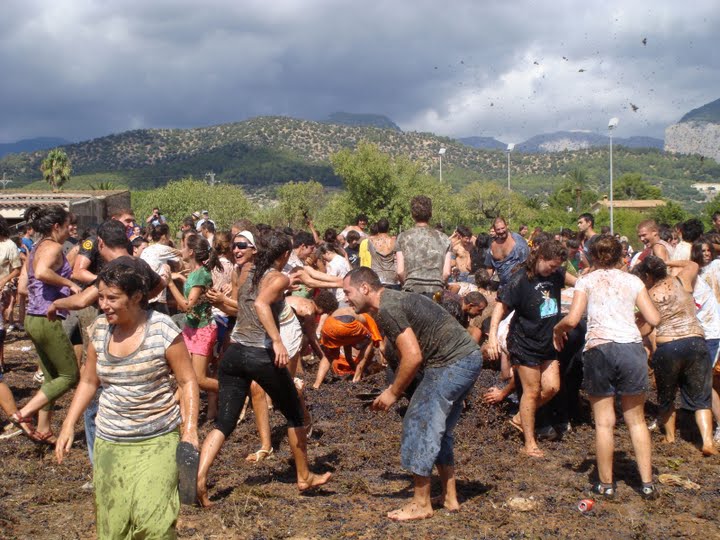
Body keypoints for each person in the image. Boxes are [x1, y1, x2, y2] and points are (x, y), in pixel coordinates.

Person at [55, 257, 200, 539]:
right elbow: (88, 380)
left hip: (157, 439)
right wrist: (67, 425)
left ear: (136, 297)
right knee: (114, 526)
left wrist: (190, 429)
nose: (103, 304)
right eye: (100, 297)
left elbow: (187, 380)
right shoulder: (99, 329)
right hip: (111, 442)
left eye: (112, 298)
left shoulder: (163, 329)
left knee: (154, 524)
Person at [196, 230, 332, 506]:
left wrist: (283, 291)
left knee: (225, 421)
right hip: (260, 354)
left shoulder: (245, 271)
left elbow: (247, 303)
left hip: (233, 353)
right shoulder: (277, 276)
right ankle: (304, 476)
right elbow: (260, 303)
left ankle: (198, 478)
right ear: (283, 255)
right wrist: (277, 340)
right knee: (294, 413)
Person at [342, 267, 481, 521]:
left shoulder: (387, 308)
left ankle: (421, 503)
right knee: (439, 430)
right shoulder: (391, 301)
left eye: (347, 292)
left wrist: (392, 392)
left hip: (451, 362)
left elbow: (413, 356)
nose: (345, 299)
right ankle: (449, 497)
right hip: (467, 358)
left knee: (419, 421)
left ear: (364, 288)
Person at [554, 236, 661, 499]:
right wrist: (635, 329)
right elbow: (654, 318)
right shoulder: (633, 281)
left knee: (604, 423)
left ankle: (606, 484)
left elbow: (574, 317)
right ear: (620, 256)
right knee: (636, 421)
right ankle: (647, 483)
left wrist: (558, 328)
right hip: (630, 348)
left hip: (599, 348)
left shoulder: (587, 281)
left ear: (590, 256)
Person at [487, 240, 576, 458]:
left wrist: (565, 323)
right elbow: (500, 306)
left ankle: (519, 418)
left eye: (557, 267)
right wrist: (491, 337)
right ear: (540, 258)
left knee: (552, 387)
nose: (554, 270)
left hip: (548, 341)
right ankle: (529, 443)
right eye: (551, 266)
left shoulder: (557, 274)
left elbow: (581, 285)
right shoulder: (520, 280)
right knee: (532, 390)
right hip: (524, 341)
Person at [632, 256, 718, 456]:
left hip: (668, 347)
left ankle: (670, 437)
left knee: (666, 396)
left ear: (648, 276)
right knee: (702, 397)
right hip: (696, 342)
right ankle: (707, 442)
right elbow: (693, 264)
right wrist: (667, 263)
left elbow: (645, 330)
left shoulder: (649, 295)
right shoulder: (682, 280)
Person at [10, 205, 80, 443]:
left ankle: (44, 428)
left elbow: (22, 287)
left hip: (31, 317)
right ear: (55, 227)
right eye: (67, 224)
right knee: (70, 376)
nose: (71, 229)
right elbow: (41, 273)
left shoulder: (35, 247)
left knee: (51, 376)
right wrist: (68, 284)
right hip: (46, 318)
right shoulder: (54, 247)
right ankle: (24, 413)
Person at [167, 234, 222, 408]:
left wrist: (169, 284)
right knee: (186, 376)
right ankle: (176, 413)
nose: (181, 250)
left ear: (191, 252)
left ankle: (235, 390)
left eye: (183, 247)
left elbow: (187, 306)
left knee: (198, 379)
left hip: (202, 330)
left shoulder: (200, 274)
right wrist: (182, 279)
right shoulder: (195, 273)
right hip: (191, 328)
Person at [313, 290, 383, 388]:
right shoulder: (367, 316)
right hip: (345, 323)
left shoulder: (336, 312)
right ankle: (357, 377)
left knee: (328, 356)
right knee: (369, 341)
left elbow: (347, 342)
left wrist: (350, 362)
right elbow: (377, 338)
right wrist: (383, 354)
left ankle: (316, 385)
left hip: (329, 326)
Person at [395, 196, 451, 296]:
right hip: (436, 291)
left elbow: (400, 271)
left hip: (411, 290)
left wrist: (407, 284)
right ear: (431, 214)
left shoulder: (403, 237)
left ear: (412, 214)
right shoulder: (444, 238)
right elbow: (446, 273)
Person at [484, 217, 529, 289]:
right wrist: (485, 284)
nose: (501, 231)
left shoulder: (518, 241)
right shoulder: (492, 246)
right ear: (494, 230)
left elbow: (527, 264)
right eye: (498, 229)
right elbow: (489, 268)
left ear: (507, 226)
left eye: (503, 228)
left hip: (520, 286)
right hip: (503, 287)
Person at [366, 218, 398, 289]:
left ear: (377, 228)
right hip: (392, 278)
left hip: (377, 277)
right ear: (388, 228)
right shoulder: (394, 241)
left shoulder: (371, 241)